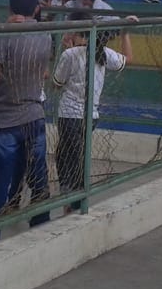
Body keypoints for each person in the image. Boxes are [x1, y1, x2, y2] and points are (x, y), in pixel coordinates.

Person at [0, 0, 53, 246]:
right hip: (34, 113)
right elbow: (42, 71)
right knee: (38, 178)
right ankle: (41, 227)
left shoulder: (5, 34)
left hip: (5, 117)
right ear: (36, 9)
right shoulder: (45, 33)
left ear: (10, 9)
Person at [52, 12, 135, 211]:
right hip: (91, 115)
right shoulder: (101, 51)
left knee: (70, 157)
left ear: (76, 31)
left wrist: (67, 50)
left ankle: (73, 200)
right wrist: (125, 33)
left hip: (70, 114)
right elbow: (128, 59)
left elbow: (57, 83)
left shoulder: (70, 55)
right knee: (72, 154)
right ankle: (72, 196)